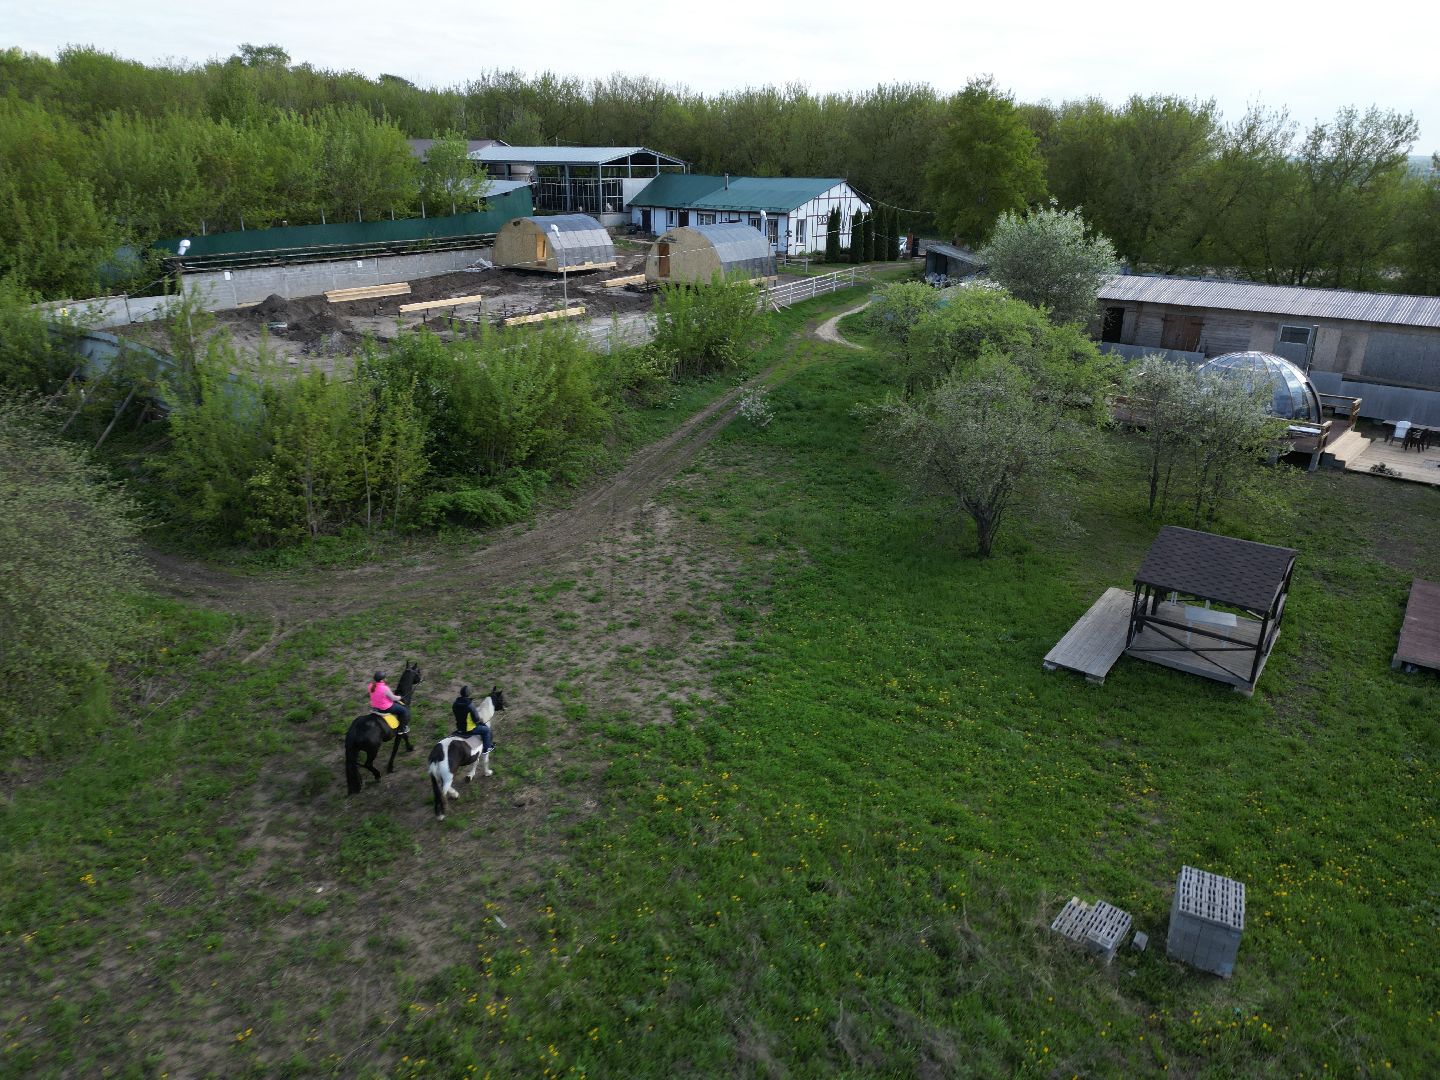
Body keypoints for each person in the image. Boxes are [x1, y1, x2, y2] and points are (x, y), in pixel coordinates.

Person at [451, 685, 493, 754]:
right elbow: (476, 719)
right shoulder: (470, 705)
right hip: (469, 729)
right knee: (486, 730)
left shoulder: (455, 704)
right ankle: (487, 748)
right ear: (468, 694)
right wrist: (480, 721)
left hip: (459, 728)